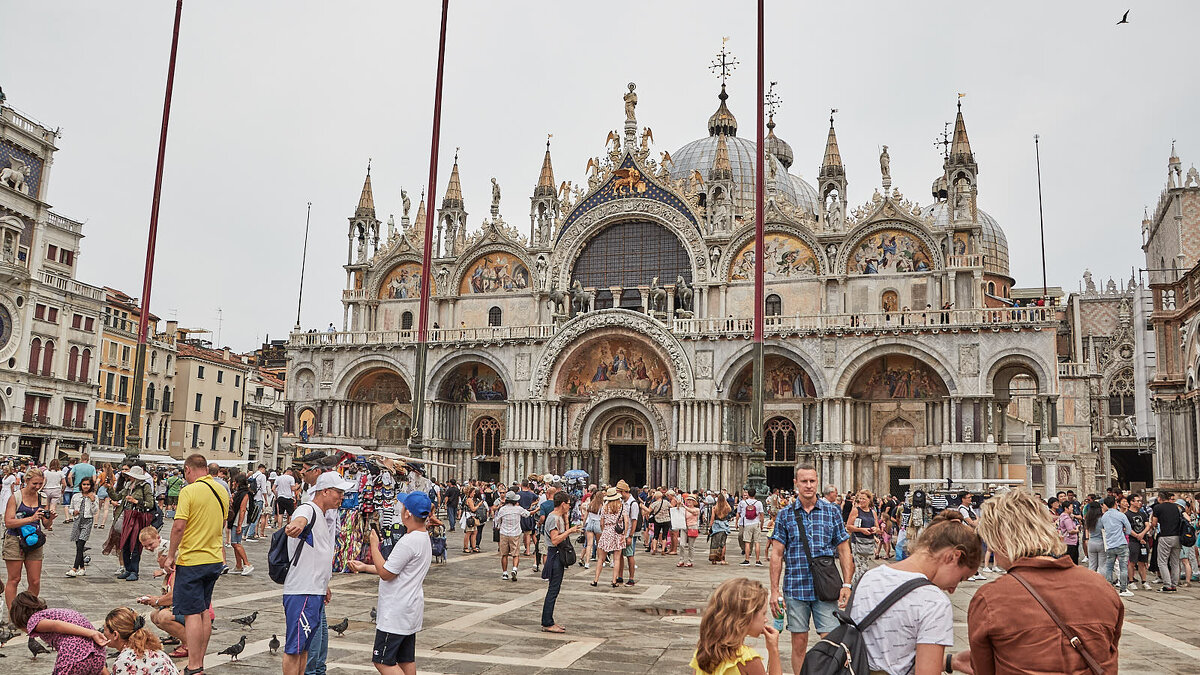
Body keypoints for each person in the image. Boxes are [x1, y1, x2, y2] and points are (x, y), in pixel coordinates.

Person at [963, 489, 1123, 674]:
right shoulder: (1101, 586)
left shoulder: (990, 599)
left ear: (1001, 539)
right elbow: (1109, 651)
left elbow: (984, 670)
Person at [849, 511, 981, 675]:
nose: (953, 589)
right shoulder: (933, 602)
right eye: (961, 578)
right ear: (954, 556)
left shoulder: (869, 577)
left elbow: (888, 654)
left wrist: (950, 661)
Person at [768, 464, 853, 675]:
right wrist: (774, 590)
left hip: (825, 587)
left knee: (832, 641)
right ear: (795, 483)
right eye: (804, 481)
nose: (808, 485)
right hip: (795, 587)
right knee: (799, 641)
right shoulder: (785, 514)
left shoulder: (831, 511)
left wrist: (847, 584)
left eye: (812, 481)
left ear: (817, 482)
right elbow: (777, 554)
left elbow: (844, 550)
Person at [349, 491, 432, 675]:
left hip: (395, 611)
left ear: (408, 513)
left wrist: (373, 545)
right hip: (410, 608)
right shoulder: (423, 537)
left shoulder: (408, 541)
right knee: (405, 658)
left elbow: (386, 573)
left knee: (382, 660)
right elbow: (394, 569)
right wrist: (365, 567)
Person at [165, 454, 230, 675]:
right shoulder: (222, 489)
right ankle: (200, 660)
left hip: (192, 559)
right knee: (204, 611)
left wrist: (170, 554)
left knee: (192, 613)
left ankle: (193, 666)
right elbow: (222, 523)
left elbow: (178, 527)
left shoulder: (189, 491)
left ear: (188, 470)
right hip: (214, 559)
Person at [282, 472, 348, 675]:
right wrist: (297, 524)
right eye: (338, 492)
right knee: (295, 649)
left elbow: (317, 554)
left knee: (304, 648)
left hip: (313, 590)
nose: (341, 497)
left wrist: (324, 584)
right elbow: (301, 518)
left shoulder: (321, 514)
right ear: (325, 491)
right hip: (302, 590)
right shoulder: (308, 509)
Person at [690, 577, 782, 675]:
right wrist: (773, 650)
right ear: (746, 617)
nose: (766, 620)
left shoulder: (702, 653)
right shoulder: (747, 660)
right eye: (763, 614)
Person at [9, 591, 109, 675]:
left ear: (19, 618)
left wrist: (92, 633)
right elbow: (87, 650)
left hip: (73, 657)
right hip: (98, 656)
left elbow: (56, 625)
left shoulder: (35, 620)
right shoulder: (53, 613)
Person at [4, 466, 55, 611]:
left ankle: (28, 611)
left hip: (35, 541)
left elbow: (45, 524)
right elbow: (8, 522)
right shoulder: (16, 497)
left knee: (35, 580)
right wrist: (31, 518)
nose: (37, 487)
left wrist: (49, 519)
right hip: (15, 539)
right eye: (35, 484)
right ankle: (12, 614)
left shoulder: (42, 497)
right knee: (14, 579)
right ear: (27, 481)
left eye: (40, 484)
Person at [539, 491, 580, 634]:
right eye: (568, 504)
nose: (570, 506)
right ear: (563, 504)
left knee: (554, 590)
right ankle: (547, 622)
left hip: (557, 555)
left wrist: (568, 522)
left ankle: (549, 620)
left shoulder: (559, 517)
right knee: (553, 590)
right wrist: (570, 532)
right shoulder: (552, 518)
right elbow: (555, 540)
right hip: (554, 555)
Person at [102, 606, 180, 675]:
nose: (102, 633)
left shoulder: (125, 661)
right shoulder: (153, 650)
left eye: (104, 629)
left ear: (115, 635)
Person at [116, 465, 156, 581]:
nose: (130, 478)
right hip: (128, 516)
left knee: (135, 545)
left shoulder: (145, 486)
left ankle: (134, 571)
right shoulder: (128, 486)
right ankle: (128, 569)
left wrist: (136, 501)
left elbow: (150, 503)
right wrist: (108, 488)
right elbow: (118, 496)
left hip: (138, 517)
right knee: (125, 544)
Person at [1097, 495, 1134, 596]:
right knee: (1123, 567)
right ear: (1115, 503)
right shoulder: (1121, 515)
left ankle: (1109, 586)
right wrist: (1124, 533)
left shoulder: (1104, 517)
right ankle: (1123, 588)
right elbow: (1129, 529)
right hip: (1121, 543)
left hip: (1109, 544)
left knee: (1109, 567)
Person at [1149, 489, 1185, 592]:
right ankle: (1174, 584)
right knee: (1175, 562)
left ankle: (1167, 585)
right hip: (1177, 536)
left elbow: (1154, 523)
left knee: (1162, 562)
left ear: (1159, 498)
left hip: (1165, 536)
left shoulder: (1157, 507)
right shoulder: (1176, 506)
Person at [592, 487, 626, 587]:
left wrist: (604, 530)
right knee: (616, 559)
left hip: (607, 531)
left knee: (601, 558)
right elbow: (626, 521)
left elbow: (601, 522)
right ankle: (614, 581)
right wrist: (624, 533)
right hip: (618, 533)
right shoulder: (622, 507)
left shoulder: (605, 507)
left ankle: (596, 580)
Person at [66, 475, 99, 577]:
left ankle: (74, 568)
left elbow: (95, 511)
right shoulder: (76, 496)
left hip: (87, 521)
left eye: (88, 484)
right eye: (84, 484)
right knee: (78, 546)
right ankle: (82, 568)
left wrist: (93, 501)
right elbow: (70, 508)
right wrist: (73, 512)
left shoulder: (94, 497)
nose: (86, 486)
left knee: (80, 544)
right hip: (77, 521)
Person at [493, 491, 529, 580]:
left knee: (504, 554)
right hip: (515, 533)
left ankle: (505, 573)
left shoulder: (502, 509)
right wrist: (536, 510)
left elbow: (497, 521)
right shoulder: (518, 509)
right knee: (515, 554)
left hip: (504, 533)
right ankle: (514, 569)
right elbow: (527, 514)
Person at [846, 489, 879, 585]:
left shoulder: (873, 512)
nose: (861, 501)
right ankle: (858, 587)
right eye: (860, 499)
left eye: (864, 499)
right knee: (861, 568)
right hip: (857, 542)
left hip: (868, 543)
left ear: (869, 500)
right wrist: (862, 530)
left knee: (864, 566)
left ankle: (854, 586)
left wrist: (875, 529)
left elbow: (877, 526)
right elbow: (849, 527)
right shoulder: (856, 510)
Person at [616, 480, 643, 585]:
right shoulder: (622, 501)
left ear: (623, 492)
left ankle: (631, 578)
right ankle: (620, 576)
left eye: (618, 491)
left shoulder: (633, 503)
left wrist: (630, 536)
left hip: (628, 534)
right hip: (621, 533)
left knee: (630, 555)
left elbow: (634, 520)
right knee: (620, 555)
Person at [228, 474, 253, 575]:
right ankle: (239, 565)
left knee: (236, 543)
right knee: (236, 543)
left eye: (234, 481)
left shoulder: (245, 494)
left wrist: (239, 525)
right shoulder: (238, 493)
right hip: (236, 520)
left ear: (238, 483)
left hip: (238, 521)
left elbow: (242, 510)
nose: (233, 483)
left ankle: (247, 564)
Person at [738, 489, 765, 566]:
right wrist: (762, 524)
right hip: (756, 523)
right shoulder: (759, 503)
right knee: (757, 542)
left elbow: (741, 513)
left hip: (747, 524)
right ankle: (757, 560)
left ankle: (747, 560)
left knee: (747, 542)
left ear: (748, 494)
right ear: (755, 494)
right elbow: (762, 515)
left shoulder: (744, 503)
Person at [581, 490, 605, 567]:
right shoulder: (602, 506)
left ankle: (587, 562)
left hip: (590, 523)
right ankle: (600, 561)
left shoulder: (590, 505)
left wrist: (583, 525)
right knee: (599, 544)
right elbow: (602, 519)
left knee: (589, 544)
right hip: (598, 523)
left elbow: (585, 516)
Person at [678, 493, 701, 568]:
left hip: (692, 527)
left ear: (694, 502)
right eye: (688, 500)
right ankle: (681, 560)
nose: (689, 501)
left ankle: (690, 561)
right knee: (682, 544)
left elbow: (692, 512)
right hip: (684, 527)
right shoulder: (684, 509)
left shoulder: (696, 509)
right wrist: (679, 505)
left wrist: (684, 506)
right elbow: (678, 512)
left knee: (691, 546)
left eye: (691, 500)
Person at [708, 496, 732, 564]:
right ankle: (722, 559)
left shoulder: (714, 508)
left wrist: (710, 527)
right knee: (723, 544)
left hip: (716, 526)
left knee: (714, 543)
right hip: (724, 526)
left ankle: (714, 559)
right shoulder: (727, 508)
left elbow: (712, 518)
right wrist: (725, 501)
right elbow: (730, 509)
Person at [42, 459, 65, 525]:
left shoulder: (46, 472)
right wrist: (62, 490)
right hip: (56, 490)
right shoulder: (60, 473)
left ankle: (46, 521)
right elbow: (64, 483)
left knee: (46, 507)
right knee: (53, 508)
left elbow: (44, 482)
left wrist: (41, 489)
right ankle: (50, 523)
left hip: (46, 490)